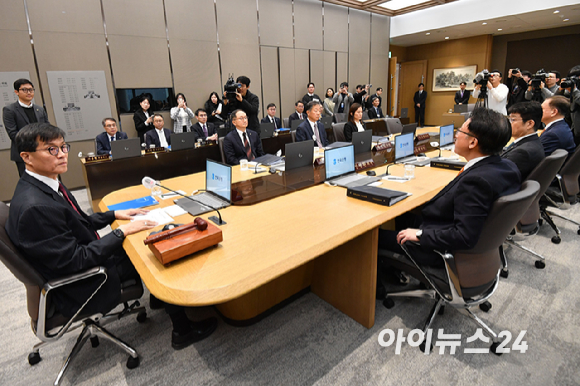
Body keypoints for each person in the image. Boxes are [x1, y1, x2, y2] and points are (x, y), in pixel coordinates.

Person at [5, 122, 217, 350]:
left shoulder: (41, 184)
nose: (62, 155)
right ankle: (182, 330)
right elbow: (76, 260)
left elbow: (75, 222)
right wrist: (121, 231)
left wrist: (114, 214)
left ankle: (159, 299)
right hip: (83, 282)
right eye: (51, 150)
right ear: (26, 157)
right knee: (155, 250)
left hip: (78, 261)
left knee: (146, 236)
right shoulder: (35, 207)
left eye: (63, 147)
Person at [378, 108, 521, 269]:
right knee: (403, 215)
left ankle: (378, 287)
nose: (456, 135)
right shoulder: (507, 166)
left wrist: (420, 234)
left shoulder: (476, 181)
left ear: (473, 142)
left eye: (460, 130)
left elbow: (464, 236)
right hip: (452, 227)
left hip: (441, 249)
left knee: (375, 237)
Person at [3, 78, 49, 177]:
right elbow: (13, 133)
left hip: (42, 151)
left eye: (31, 90)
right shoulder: (10, 110)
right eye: (24, 90)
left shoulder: (39, 109)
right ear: (16, 92)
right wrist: (33, 144)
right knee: (29, 183)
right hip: (24, 153)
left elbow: (47, 128)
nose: (29, 92)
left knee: (46, 179)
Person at [501, 102, 546, 180]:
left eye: (513, 120)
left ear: (529, 124)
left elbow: (498, 176)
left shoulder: (522, 153)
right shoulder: (533, 141)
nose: (508, 123)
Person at [559, 65, 580, 145]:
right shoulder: (573, 91)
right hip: (574, 130)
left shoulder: (575, 92)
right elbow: (555, 100)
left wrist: (574, 91)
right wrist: (562, 90)